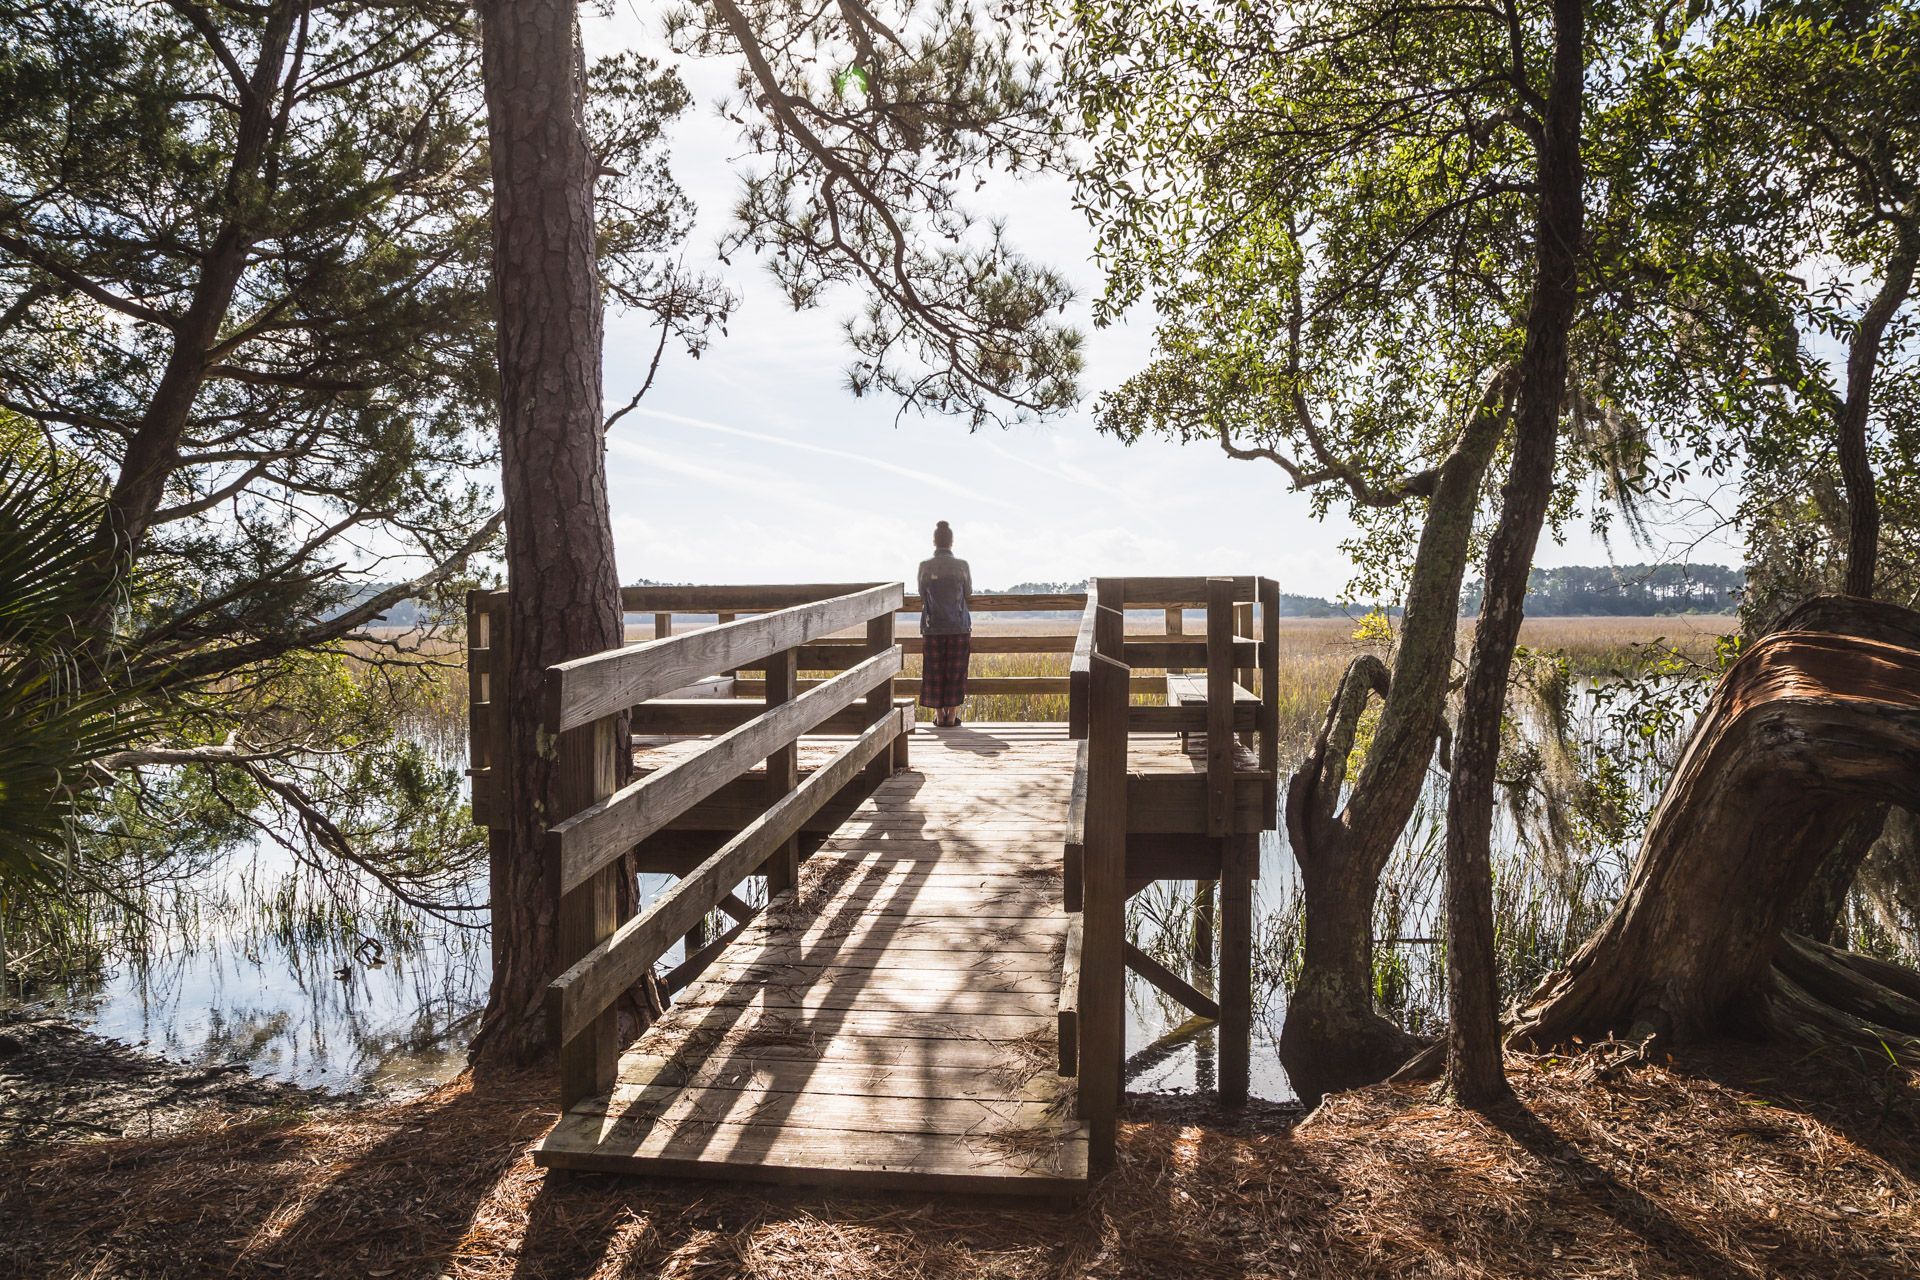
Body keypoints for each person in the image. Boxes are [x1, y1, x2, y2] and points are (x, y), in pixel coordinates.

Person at [916, 521, 972, 728]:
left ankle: (939, 716)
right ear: (951, 542)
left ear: (934, 543)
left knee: (933, 670)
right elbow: (968, 593)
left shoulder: (925, 565)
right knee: (956, 671)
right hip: (958, 625)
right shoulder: (962, 565)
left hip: (932, 627)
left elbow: (922, 594)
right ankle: (952, 715)